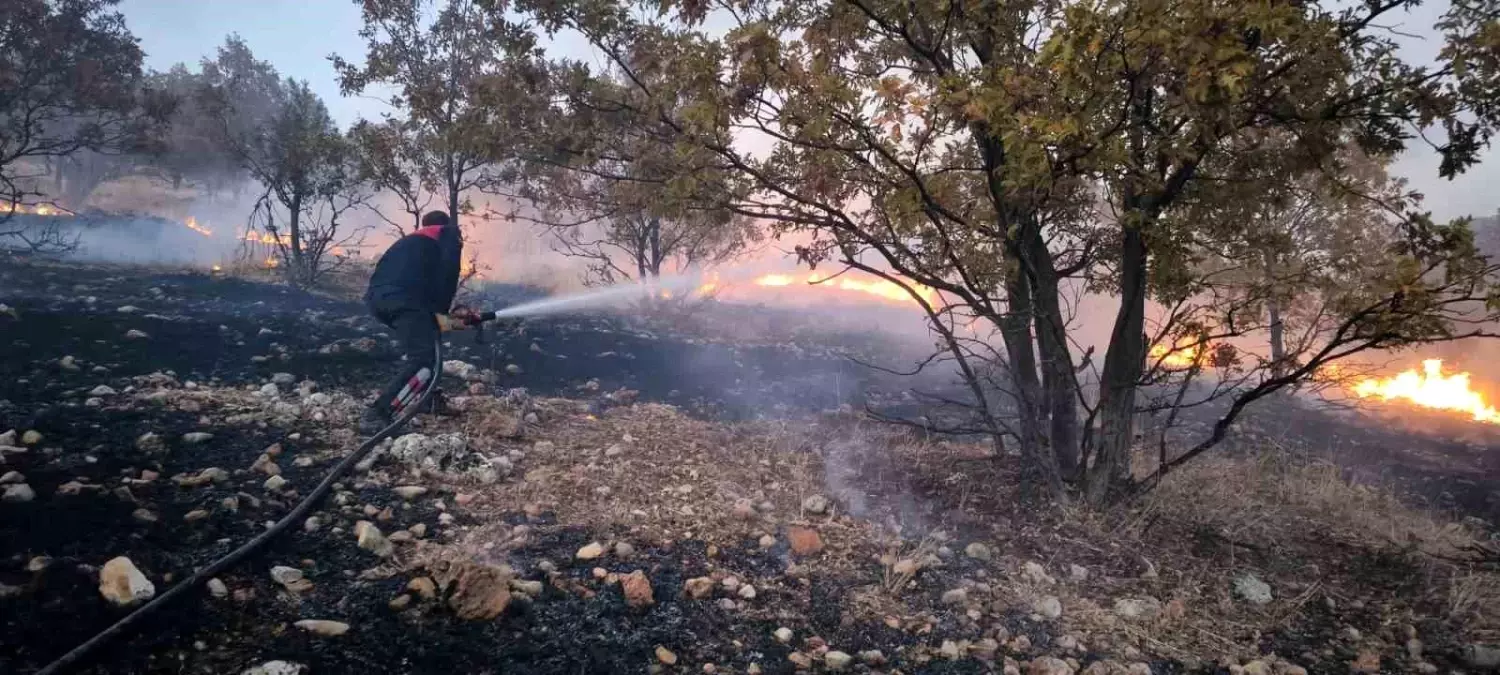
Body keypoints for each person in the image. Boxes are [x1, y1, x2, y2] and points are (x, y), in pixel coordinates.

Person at [359, 210, 471, 434]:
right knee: (423, 359)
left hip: (378, 300)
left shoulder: (411, 241)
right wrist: (442, 314)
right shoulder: (448, 234)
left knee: (426, 343)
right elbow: (448, 275)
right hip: (405, 300)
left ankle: (429, 400)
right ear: (446, 225)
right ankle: (377, 415)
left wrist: (437, 319)